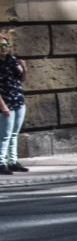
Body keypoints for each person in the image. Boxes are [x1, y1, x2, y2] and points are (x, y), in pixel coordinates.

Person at [0, 32, 28, 174]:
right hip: (6, 101)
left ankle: (13, 161)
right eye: (1, 45)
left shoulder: (12, 59)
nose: (4, 47)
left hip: (18, 100)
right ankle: (0, 162)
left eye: (5, 45)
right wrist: (3, 106)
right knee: (4, 134)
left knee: (14, 133)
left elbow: (21, 79)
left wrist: (24, 69)